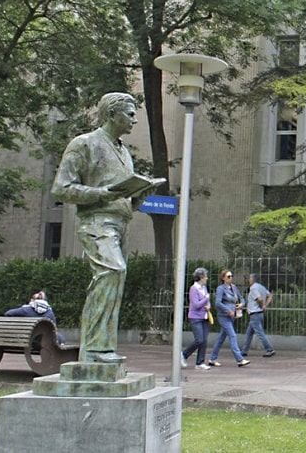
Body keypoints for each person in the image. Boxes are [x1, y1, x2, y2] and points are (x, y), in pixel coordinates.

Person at [51, 92, 163, 364]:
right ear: (111, 114)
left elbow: (123, 197)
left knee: (114, 281)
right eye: (130, 113)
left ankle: (101, 348)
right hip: (96, 221)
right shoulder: (85, 143)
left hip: (121, 222)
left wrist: (140, 195)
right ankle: (95, 350)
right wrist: (102, 193)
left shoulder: (124, 151)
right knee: (113, 271)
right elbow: (61, 188)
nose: (135, 120)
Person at [207, 269, 251, 367]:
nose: (230, 278)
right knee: (233, 335)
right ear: (223, 278)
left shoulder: (234, 288)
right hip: (224, 316)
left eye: (231, 276)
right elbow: (218, 303)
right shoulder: (221, 289)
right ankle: (239, 359)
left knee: (221, 338)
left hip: (232, 316)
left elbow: (241, 298)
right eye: (228, 276)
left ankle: (212, 359)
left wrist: (242, 304)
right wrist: (227, 310)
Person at [182, 268, 212, 370]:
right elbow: (196, 305)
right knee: (199, 339)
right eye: (205, 277)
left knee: (204, 340)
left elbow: (207, 302)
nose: (207, 278)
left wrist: (209, 305)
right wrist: (206, 299)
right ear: (201, 277)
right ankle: (184, 354)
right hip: (195, 317)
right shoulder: (193, 289)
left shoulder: (204, 288)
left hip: (204, 317)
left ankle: (200, 362)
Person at [241, 273, 276, 358]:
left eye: (249, 278)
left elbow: (259, 299)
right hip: (259, 314)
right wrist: (265, 305)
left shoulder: (253, 288)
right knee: (249, 333)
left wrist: (262, 305)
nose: (248, 280)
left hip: (255, 313)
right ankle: (244, 351)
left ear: (253, 279)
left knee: (260, 333)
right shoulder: (262, 287)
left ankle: (269, 349)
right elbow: (270, 295)